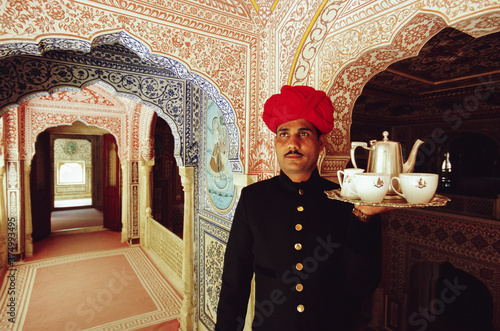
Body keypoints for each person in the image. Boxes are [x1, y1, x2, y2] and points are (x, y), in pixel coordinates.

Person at [215, 85, 391, 330]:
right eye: (283, 134)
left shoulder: (348, 199)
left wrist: (363, 218)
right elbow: (235, 281)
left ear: (321, 143)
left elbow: (361, 286)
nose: (292, 143)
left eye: (304, 134)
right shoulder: (253, 198)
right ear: (276, 143)